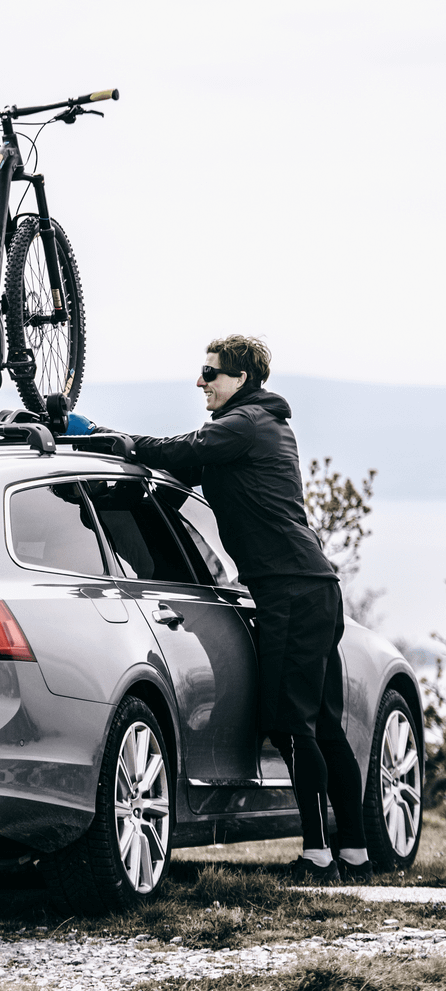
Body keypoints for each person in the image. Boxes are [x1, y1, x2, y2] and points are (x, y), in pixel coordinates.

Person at [115, 335, 371, 885]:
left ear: (241, 379)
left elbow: (179, 452)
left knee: (291, 723)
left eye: (212, 373)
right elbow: (186, 472)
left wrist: (117, 441)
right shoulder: (257, 428)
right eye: (202, 372)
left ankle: (319, 856)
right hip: (312, 586)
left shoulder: (244, 424)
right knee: (323, 725)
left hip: (290, 591)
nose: (201, 382)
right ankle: (354, 852)